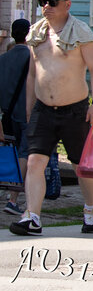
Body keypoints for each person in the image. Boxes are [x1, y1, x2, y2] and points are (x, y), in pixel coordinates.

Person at [10, 0, 93, 236]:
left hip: (75, 109)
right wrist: (30, 108)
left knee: (80, 165)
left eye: (52, 2)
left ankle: (90, 210)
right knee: (34, 162)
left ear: (67, 4)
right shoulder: (36, 33)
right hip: (43, 109)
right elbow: (32, 74)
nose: (46, 7)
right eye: (42, 2)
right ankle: (33, 217)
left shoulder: (81, 31)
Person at [0, 20, 32, 215]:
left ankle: (8, 191)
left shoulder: (2, 59)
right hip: (27, 115)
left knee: (9, 154)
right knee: (24, 154)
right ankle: (13, 198)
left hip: (7, 116)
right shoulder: (33, 58)